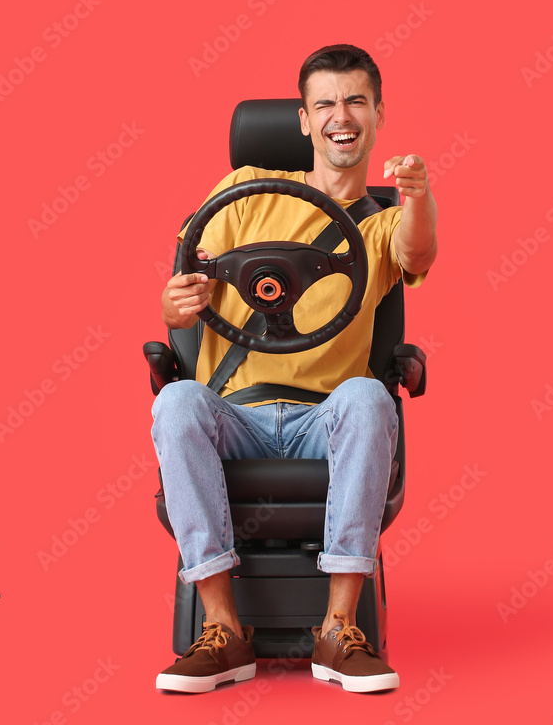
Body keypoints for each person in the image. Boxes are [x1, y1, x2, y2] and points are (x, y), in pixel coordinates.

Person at [151, 44, 437, 694]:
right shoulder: (241, 196)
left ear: (378, 113)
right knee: (177, 400)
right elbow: (183, 287)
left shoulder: (382, 225)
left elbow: (419, 249)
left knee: (370, 396)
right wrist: (173, 304)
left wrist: (419, 196)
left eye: (356, 100)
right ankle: (221, 631)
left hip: (325, 418)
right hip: (238, 413)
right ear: (304, 120)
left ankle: (339, 630)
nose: (343, 115)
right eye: (326, 103)